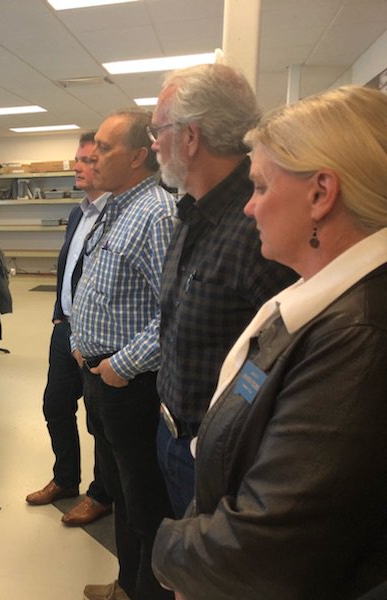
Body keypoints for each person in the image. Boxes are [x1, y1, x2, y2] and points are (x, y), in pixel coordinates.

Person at [152, 85, 387, 599]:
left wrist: (169, 553)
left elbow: (267, 542)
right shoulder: (325, 304)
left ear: (320, 194)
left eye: (259, 187)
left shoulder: (357, 338)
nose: (248, 208)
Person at [150, 63, 297, 518]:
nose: (153, 143)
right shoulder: (191, 211)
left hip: (218, 455)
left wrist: (221, 445)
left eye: (158, 131)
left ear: (190, 137)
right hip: (172, 430)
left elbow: (283, 362)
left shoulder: (259, 225)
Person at [71, 109, 177, 600]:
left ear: (138, 156)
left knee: (144, 502)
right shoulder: (115, 208)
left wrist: (120, 366)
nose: (92, 156)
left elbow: (173, 314)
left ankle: (147, 592)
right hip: (100, 376)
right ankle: (126, 586)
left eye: (105, 147)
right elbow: (97, 286)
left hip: (130, 382)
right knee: (119, 491)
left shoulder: (156, 214)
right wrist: (79, 342)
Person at [26, 132, 114, 527]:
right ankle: (65, 479)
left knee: (99, 420)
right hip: (65, 329)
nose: (77, 166)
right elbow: (70, 268)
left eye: (87, 160)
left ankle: (102, 494)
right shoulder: (79, 213)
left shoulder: (117, 215)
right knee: (55, 405)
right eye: (77, 158)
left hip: (98, 336)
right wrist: (59, 315)